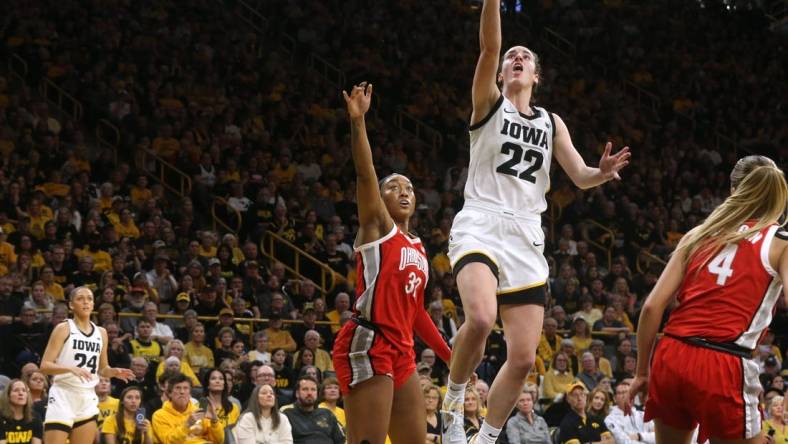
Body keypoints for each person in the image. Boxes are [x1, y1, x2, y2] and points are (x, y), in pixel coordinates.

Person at [441, 0, 630, 442]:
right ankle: (453, 402)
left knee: (524, 358)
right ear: (503, 74)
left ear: (537, 75)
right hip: (482, 223)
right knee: (483, 319)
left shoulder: (550, 122)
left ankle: (485, 436)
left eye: (525, 57)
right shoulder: (488, 105)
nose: (516, 59)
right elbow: (489, 47)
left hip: (526, 232)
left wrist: (600, 173)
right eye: (512, 58)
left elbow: (580, 175)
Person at [629, 155, 788, 444]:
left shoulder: (697, 234)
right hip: (723, 361)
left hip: (671, 354)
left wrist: (642, 372)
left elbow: (652, 306)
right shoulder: (780, 240)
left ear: (733, 190)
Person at [331, 81, 451, 444]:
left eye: (409, 188)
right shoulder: (377, 227)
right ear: (380, 199)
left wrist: (451, 356)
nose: (403, 192)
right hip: (369, 339)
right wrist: (358, 123)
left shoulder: (418, 246)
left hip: (403, 349)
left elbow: (415, 313)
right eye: (393, 187)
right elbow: (365, 173)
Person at [39, 286, 134, 444]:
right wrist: (69, 368)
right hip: (63, 394)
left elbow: (102, 368)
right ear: (71, 305)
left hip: (88, 397)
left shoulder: (101, 333)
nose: (85, 302)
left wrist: (113, 371)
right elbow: (44, 366)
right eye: (80, 298)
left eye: (89, 298)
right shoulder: (63, 328)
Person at [152, 372, 224, 444]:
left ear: (190, 394)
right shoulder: (159, 416)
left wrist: (214, 421)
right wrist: (187, 424)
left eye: (185, 388)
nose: (182, 392)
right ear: (170, 393)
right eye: (178, 388)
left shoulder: (198, 411)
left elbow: (219, 441)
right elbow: (168, 442)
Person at [281, 377, 344, 444]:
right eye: (305, 389)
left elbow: (340, 440)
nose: (309, 393)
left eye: (313, 390)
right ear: (297, 393)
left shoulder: (327, 413)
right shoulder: (287, 414)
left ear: (317, 393)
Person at [0, 379, 42, 444]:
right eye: (16, 390)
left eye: (24, 390)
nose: (21, 393)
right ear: (8, 396)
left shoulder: (35, 417)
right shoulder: (1, 417)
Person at [200, 369, 240, 437]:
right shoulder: (199, 407)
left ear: (224, 384)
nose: (217, 381)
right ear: (207, 385)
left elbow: (237, 432)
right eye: (213, 378)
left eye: (221, 379)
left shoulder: (234, 408)